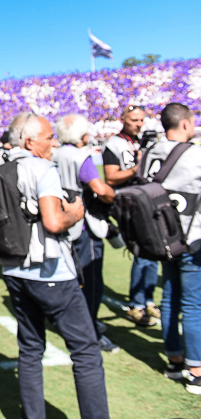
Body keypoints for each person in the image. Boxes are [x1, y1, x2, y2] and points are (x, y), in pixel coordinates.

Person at [0, 113, 109, 418]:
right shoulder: (42, 167)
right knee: (86, 351)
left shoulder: (0, 166)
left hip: (13, 267)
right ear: (31, 141)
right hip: (49, 270)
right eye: (49, 137)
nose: (54, 142)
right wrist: (74, 212)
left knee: (31, 349)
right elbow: (53, 220)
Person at [138, 103, 201, 392]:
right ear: (186, 124)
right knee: (193, 304)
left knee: (170, 297)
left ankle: (175, 361)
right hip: (191, 238)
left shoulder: (150, 152)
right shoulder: (195, 153)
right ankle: (197, 370)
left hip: (161, 237)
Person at [53, 114, 118, 353]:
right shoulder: (81, 156)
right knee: (91, 282)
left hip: (62, 222)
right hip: (83, 224)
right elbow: (100, 189)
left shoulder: (54, 153)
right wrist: (115, 198)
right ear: (82, 135)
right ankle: (89, 330)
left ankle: (80, 323)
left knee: (74, 278)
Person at [103, 104, 159, 327]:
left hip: (147, 201)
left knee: (154, 252)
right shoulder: (114, 144)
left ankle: (148, 300)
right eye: (134, 120)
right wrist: (137, 167)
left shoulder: (143, 142)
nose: (139, 124)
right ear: (123, 119)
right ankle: (136, 305)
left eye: (141, 120)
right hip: (128, 203)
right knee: (142, 253)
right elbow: (111, 177)